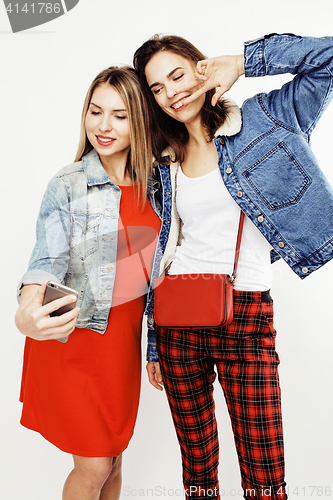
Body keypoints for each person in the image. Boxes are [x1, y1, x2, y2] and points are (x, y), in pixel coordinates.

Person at [133, 33, 333, 500]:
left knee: (265, 478)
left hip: (246, 317)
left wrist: (243, 62)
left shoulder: (267, 118)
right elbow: (160, 252)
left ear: (202, 70)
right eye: (157, 88)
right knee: (198, 477)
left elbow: (328, 58)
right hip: (176, 321)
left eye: (177, 75)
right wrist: (155, 343)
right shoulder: (163, 161)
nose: (171, 93)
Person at [15, 66, 161, 500]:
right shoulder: (69, 183)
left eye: (119, 115)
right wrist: (27, 311)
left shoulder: (162, 185)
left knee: (113, 460)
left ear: (140, 120)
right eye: (95, 112)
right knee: (94, 466)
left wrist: (154, 346)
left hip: (121, 347)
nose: (103, 125)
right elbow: (45, 259)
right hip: (74, 343)